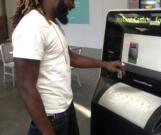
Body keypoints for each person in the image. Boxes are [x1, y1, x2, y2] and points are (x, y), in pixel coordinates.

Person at [12, 0, 125, 135]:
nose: (73, 6)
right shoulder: (31, 26)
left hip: (66, 107)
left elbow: (71, 57)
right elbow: (25, 87)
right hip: (50, 118)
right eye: (72, 0)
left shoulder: (52, 25)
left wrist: (105, 64)